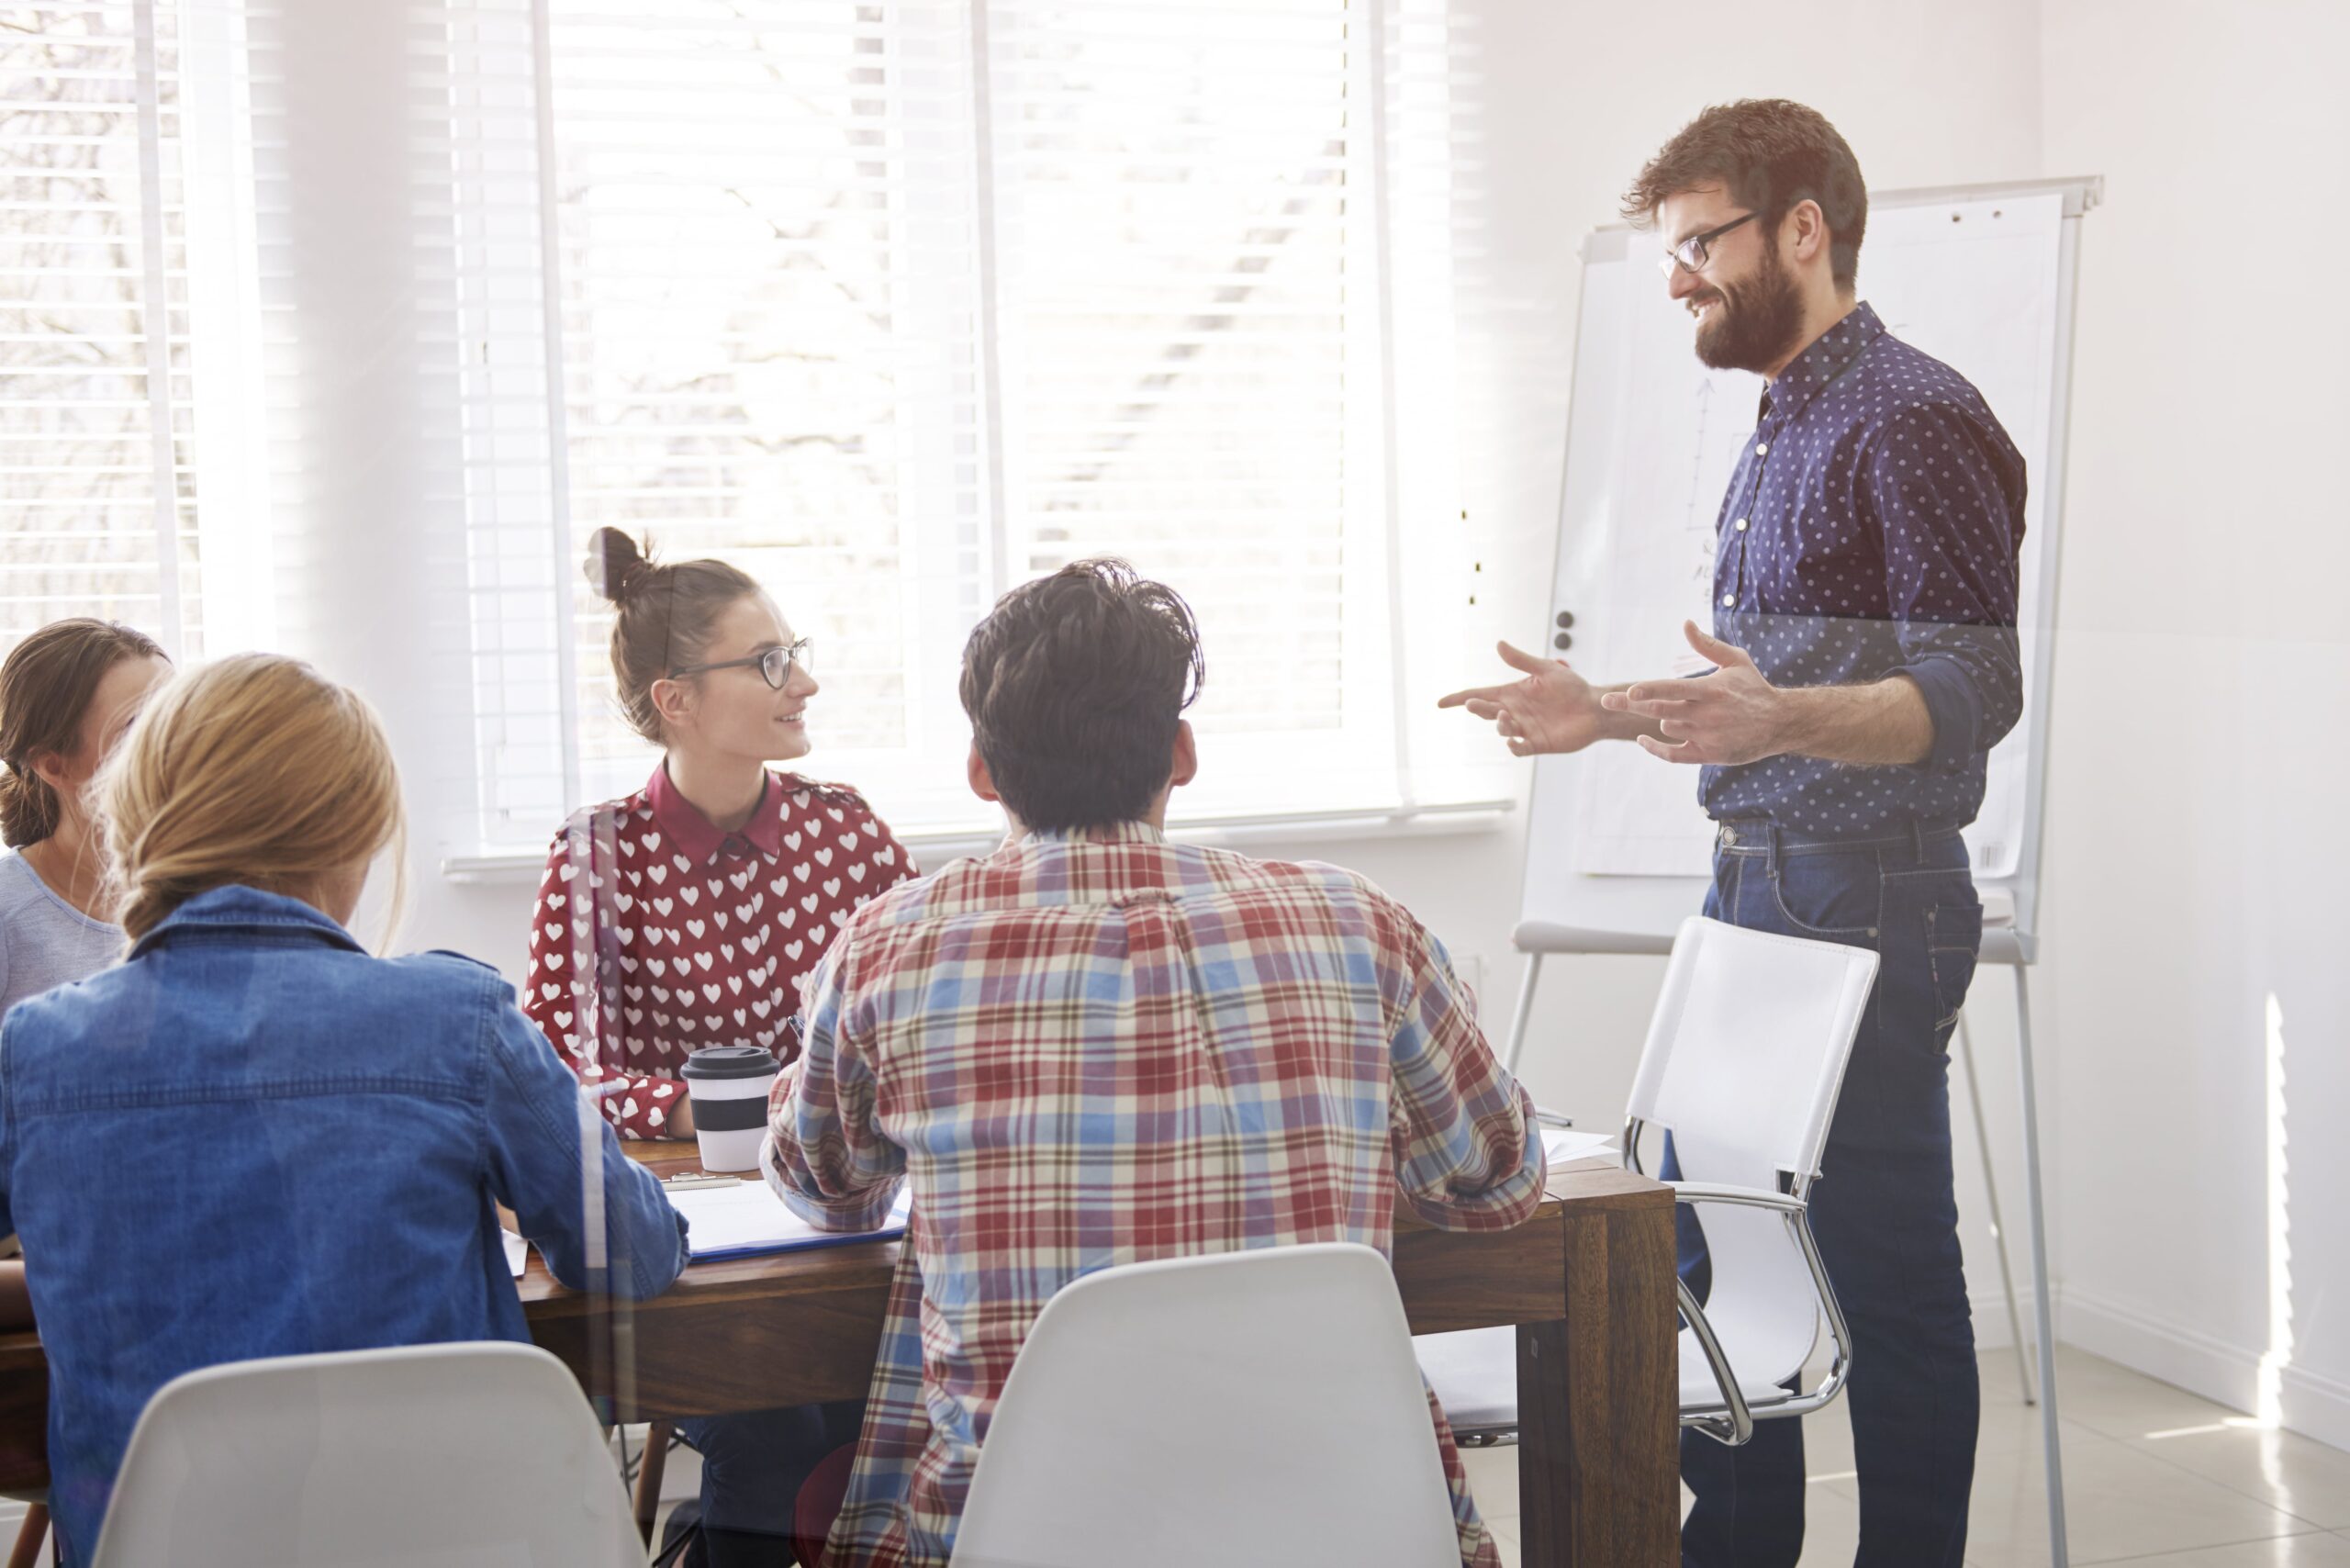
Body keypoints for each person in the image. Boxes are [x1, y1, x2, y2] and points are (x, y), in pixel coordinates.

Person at [1441, 100, 2022, 1568]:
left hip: (1871, 896)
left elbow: (1971, 687)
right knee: (1705, 1257)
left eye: (1702, 241)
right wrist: (1616, 710)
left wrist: (1778, 722)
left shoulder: (1911, 415)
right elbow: (1766, 699)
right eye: (1672, 252)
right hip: (1758, 882)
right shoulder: (1786, 414)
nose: (1681, 276)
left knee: (1885, 1281)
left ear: (1804, 228)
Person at [771, 559, 1545, 1568]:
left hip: (1023, 1538)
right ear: (1180, 753)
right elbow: (1498, 1186)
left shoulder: (887, 947)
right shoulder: (1358, 923)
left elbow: (826, 1187)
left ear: (981, 771)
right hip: (1341, 1526)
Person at [0, 654, 687, 1563]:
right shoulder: (457, 1019)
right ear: (353, 832)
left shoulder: (35, 1052)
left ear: (140, 823)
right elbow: (633, 1254)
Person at [522, 529, 916, 1565]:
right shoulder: (595, 856)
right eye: (771, 662)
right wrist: (698, 1110)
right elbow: (552, 1076)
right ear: (677, 699)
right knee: (778, 1422)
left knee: (860, 1408)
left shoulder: (851, 834)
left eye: (798, 652)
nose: (807, 682)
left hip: (845, 1225)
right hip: (684, 1253)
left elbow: (909, 1027)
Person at [0, 618, 172, 1015]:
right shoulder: (9, 915)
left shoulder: (214, 897)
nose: (174, 748)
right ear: (54, 766)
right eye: (136, 731)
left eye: (175, 718)